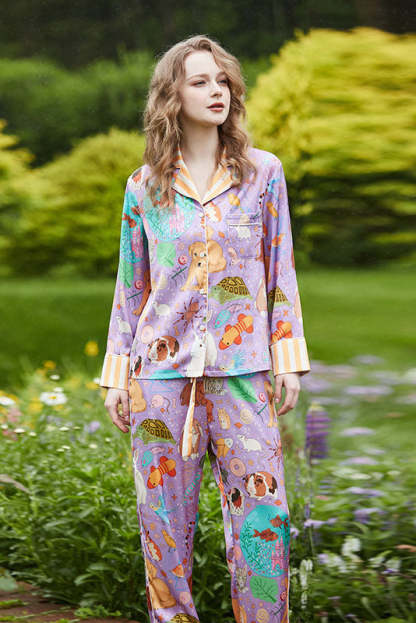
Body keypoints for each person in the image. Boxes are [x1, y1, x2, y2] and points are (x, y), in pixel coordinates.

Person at [99, 34, 310, 623]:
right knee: (162, 523)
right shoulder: (144, 187)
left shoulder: (263, 174)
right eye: (200, 81)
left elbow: (280, 270)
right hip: (160, 379)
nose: (217, 91)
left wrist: (288, 359)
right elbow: (130, 288)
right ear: (172, 95)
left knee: (265, 519)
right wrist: (118, 375)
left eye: (222, 81)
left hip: (243, 372)